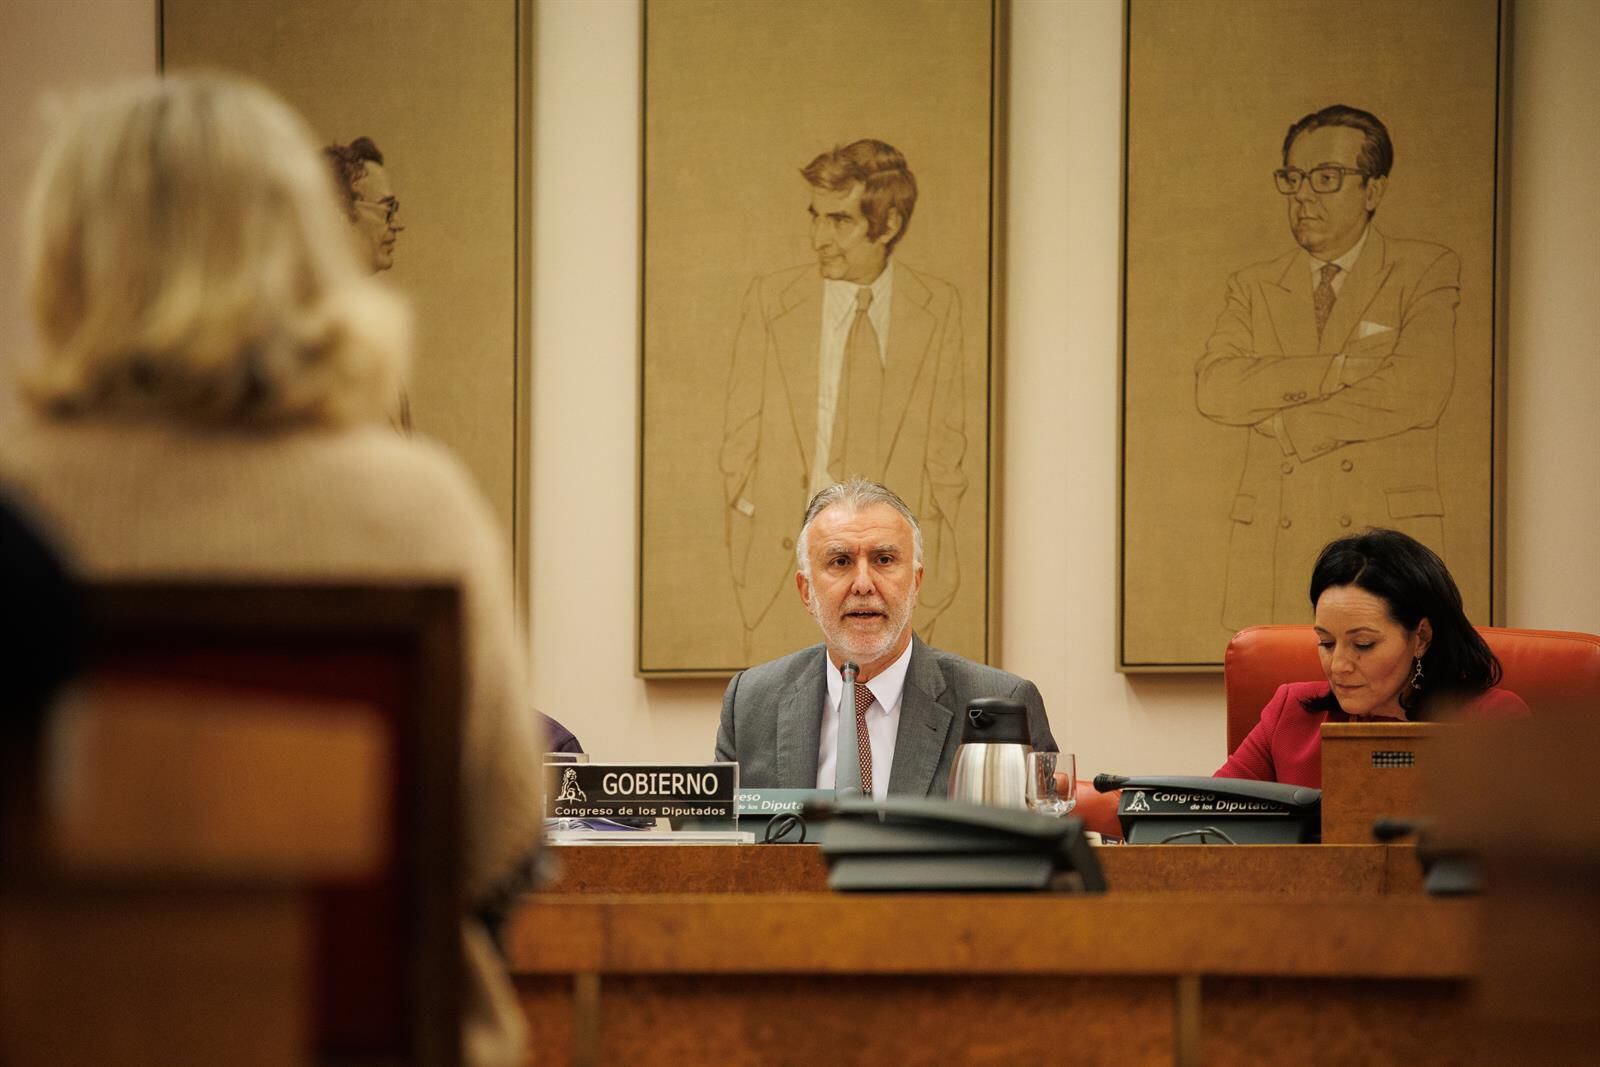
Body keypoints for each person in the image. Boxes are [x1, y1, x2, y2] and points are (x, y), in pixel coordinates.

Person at [0, 74, 539, 1067]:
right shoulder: (418, 508)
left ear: (66, 256)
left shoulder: (15, 501)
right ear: (302, 251)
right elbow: (497, 834)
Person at [1196, 105, 1460, 629]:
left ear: (1373, 191)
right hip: (1272, 543)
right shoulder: (1253, 285)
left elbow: (1415, 389)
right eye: (1293, 179)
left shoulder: (1424, 269)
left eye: (1325, 178)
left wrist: (1287, 423)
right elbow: (1216, 386)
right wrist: (1335, 368)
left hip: (1386, 555)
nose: (1303, 196)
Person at [720, 139, 967, 663]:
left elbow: (948, 448)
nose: (818, 238)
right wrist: (750, 522)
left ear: (890, 224)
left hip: (900, 597)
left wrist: (934, 565)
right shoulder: (771, 301)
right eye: (816, 218)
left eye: (839, 221)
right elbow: (739, 436)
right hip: (774, 576)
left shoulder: (937, 307)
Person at [715, 478, 1055, 798]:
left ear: (916, 582)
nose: (863, 584)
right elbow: (720, 845)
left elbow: (1041, 849)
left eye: (884, 559)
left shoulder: (1003, 703)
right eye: (840, 561)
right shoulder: (750, 704)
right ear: (806, 591)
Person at [1217, 528, 1527, 788]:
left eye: (1363, 644)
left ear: (1421, 637)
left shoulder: (1491, 720)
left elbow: (1525, 849)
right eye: (1326, 642)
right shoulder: (1290, 713)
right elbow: (1208, 824)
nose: (1338, 665)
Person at [325, 136, 412, 433]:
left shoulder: (364, 329)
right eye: (387, 208)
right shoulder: (315, 335)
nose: (398, 223)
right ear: (339, 214)